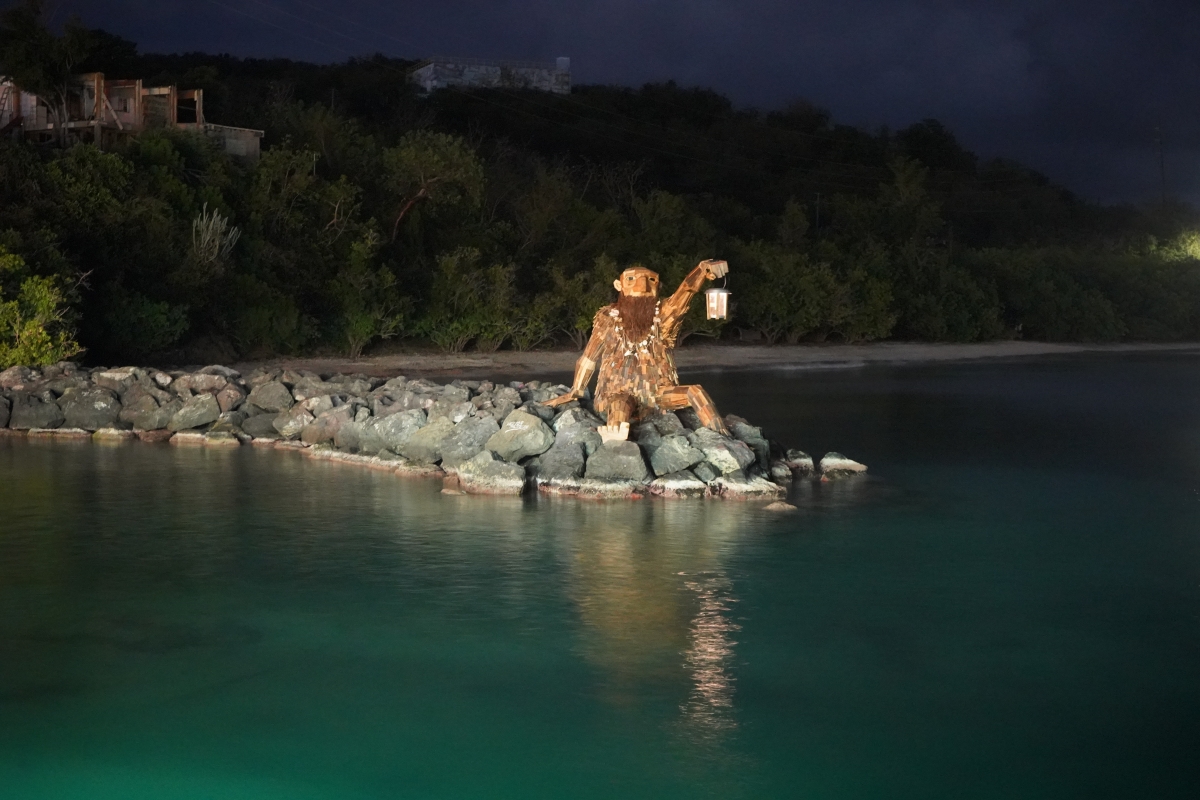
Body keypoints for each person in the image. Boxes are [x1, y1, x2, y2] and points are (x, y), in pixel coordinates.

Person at [545, 259, 731, 442]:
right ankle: (615, 444)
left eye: (651, 280)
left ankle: (721, 437)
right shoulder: (607, 319)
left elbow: (684, 293)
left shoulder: (662, 317)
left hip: (657, 393)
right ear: (619, 285)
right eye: (632, 280)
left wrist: (700, 272)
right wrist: (576, 390)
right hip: (617, 391)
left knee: (695, 392)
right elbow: (588, 358)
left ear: (659, 287)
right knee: (619, 406)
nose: (642, 286)